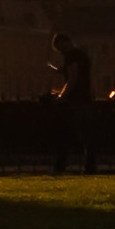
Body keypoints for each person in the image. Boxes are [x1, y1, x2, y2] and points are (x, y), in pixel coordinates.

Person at [49, 33, 96, 174]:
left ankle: (61, 165)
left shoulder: (71, 56)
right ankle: (90, 166)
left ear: (64, 43)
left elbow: (73, 79)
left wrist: (61, 96)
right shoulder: (82, 55)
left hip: (75, 100)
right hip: (85, 98)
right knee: (87, 134)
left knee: (68, 133)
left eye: (60, 49)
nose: (60, 52)